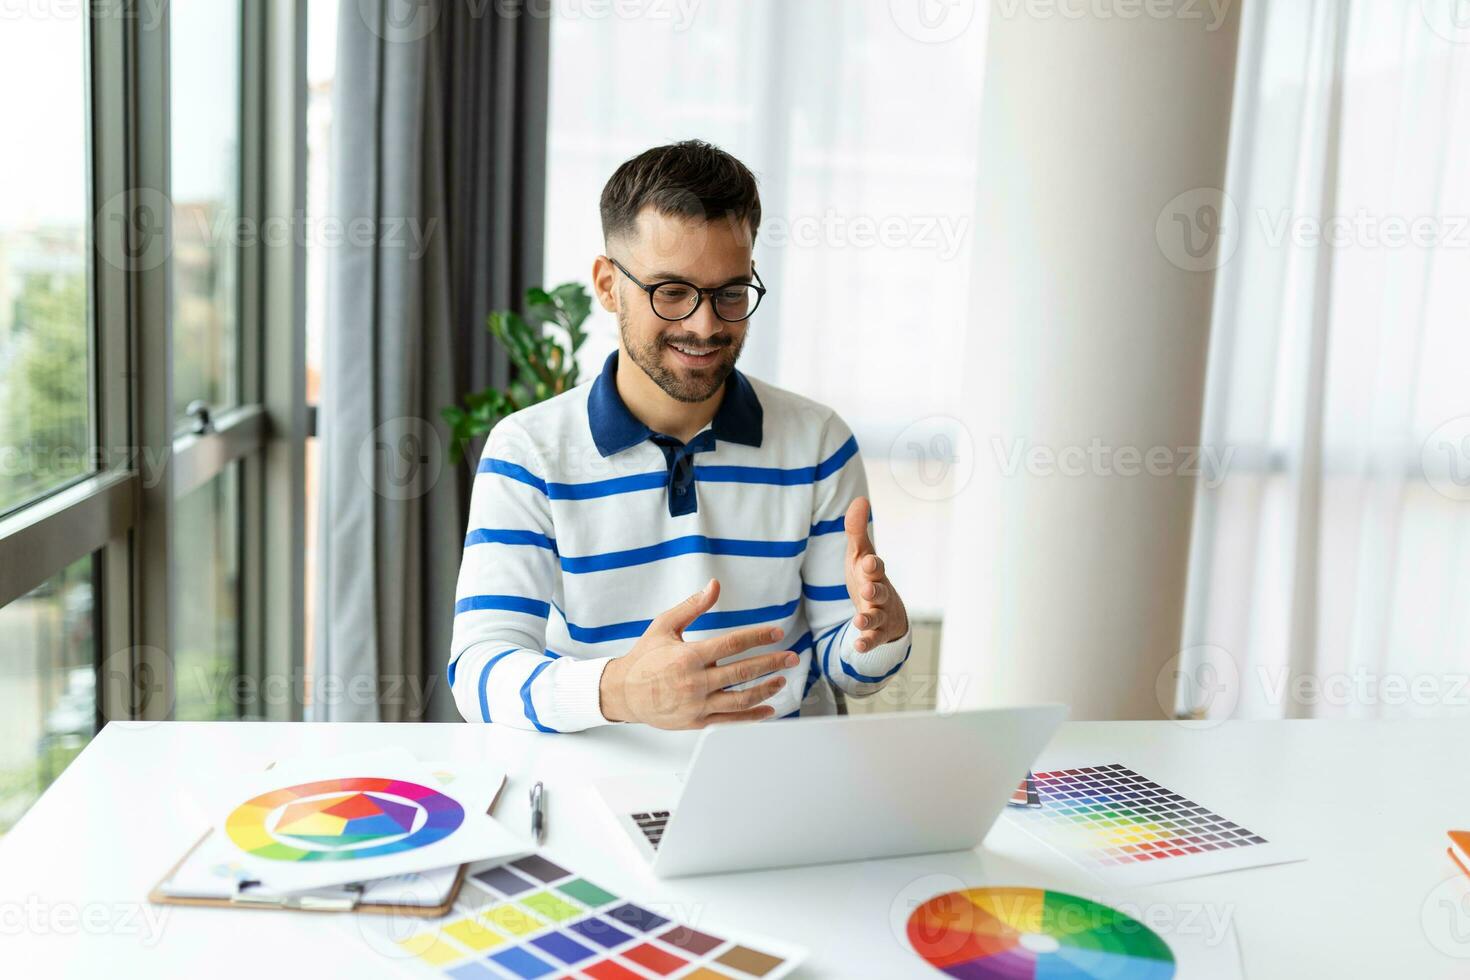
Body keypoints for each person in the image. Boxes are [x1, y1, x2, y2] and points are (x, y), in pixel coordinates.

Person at [448, 140, 911, 731]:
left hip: (782, 779)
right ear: (608, 285)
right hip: (601, 778)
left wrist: (882, 633)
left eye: (731, 293)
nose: (705, 324)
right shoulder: (528, 452)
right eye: (671, 292)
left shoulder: (818, 442)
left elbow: (844, 666)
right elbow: (479, 671)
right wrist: (620, 692)